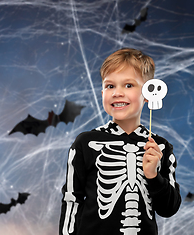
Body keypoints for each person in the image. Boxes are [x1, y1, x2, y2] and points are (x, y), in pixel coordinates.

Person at [59, 48, 181, 235]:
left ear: (150, 93)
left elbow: (169, 208)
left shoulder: (161, 148)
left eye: (128, 85)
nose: (117, 93)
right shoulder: (86, 143)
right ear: (102, 93)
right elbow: (71, 199)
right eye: (110, 86)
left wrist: (153, 176)